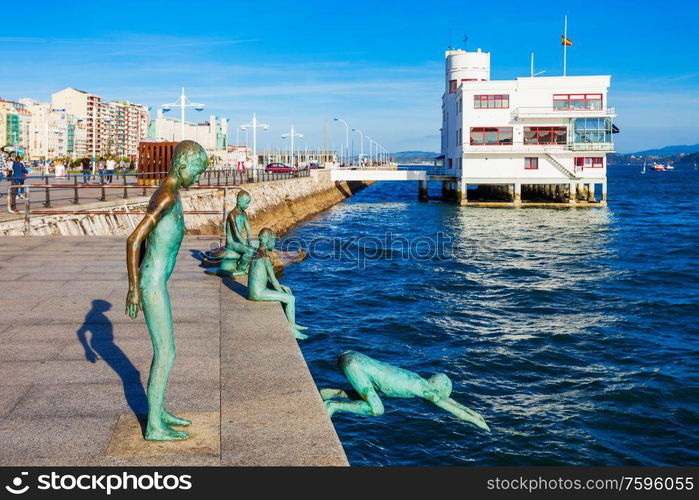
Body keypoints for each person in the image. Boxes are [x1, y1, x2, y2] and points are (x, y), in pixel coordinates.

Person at [125, 140, 208, 441]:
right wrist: (135, 289)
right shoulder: (166, 197)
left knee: (165, 352)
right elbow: (134, 240)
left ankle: (158, 411)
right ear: (183, 166)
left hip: (155, 281)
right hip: (152, 284)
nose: (198, 178)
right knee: (167, 353)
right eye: (197, 172)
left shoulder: (172, 192)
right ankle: (155, 427)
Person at [320, 351, 490, 431]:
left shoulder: (418, 379)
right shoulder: (425, 390)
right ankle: (333, 405)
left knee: (371, 395)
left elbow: (448, 401)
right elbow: (450, 407)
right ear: (437, 389)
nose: (439, 397)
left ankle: (330, 394)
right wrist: (475, 422)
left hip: (353, 357)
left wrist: (474, 412)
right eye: (440, 394)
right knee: (377, 409)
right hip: (354, 365)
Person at [246, 228, 308, 340]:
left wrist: (281, 287)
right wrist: (281, 290)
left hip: (252, 290)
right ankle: (291, 329)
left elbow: (260, 277)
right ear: (267, 241)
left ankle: (292, 324)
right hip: (257, 293)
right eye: (273, 241)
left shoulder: (255, 253)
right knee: (290, 298)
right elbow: (274, 281)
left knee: (285, 292)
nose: (274, 243)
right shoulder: (266, 258)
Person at [204, 189, 258, 274]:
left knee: (255, 246)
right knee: (249, 251)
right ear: (239, 201)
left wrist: (251, 240)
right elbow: (236, 233)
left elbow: (248, 229)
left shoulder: (244, 214)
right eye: (246, 203)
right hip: (232, 243)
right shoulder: (232, 215)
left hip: (238, 242)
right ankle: (241, 267)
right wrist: (245, 242)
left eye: (249, 203)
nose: (248, 205)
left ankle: (244, 263)